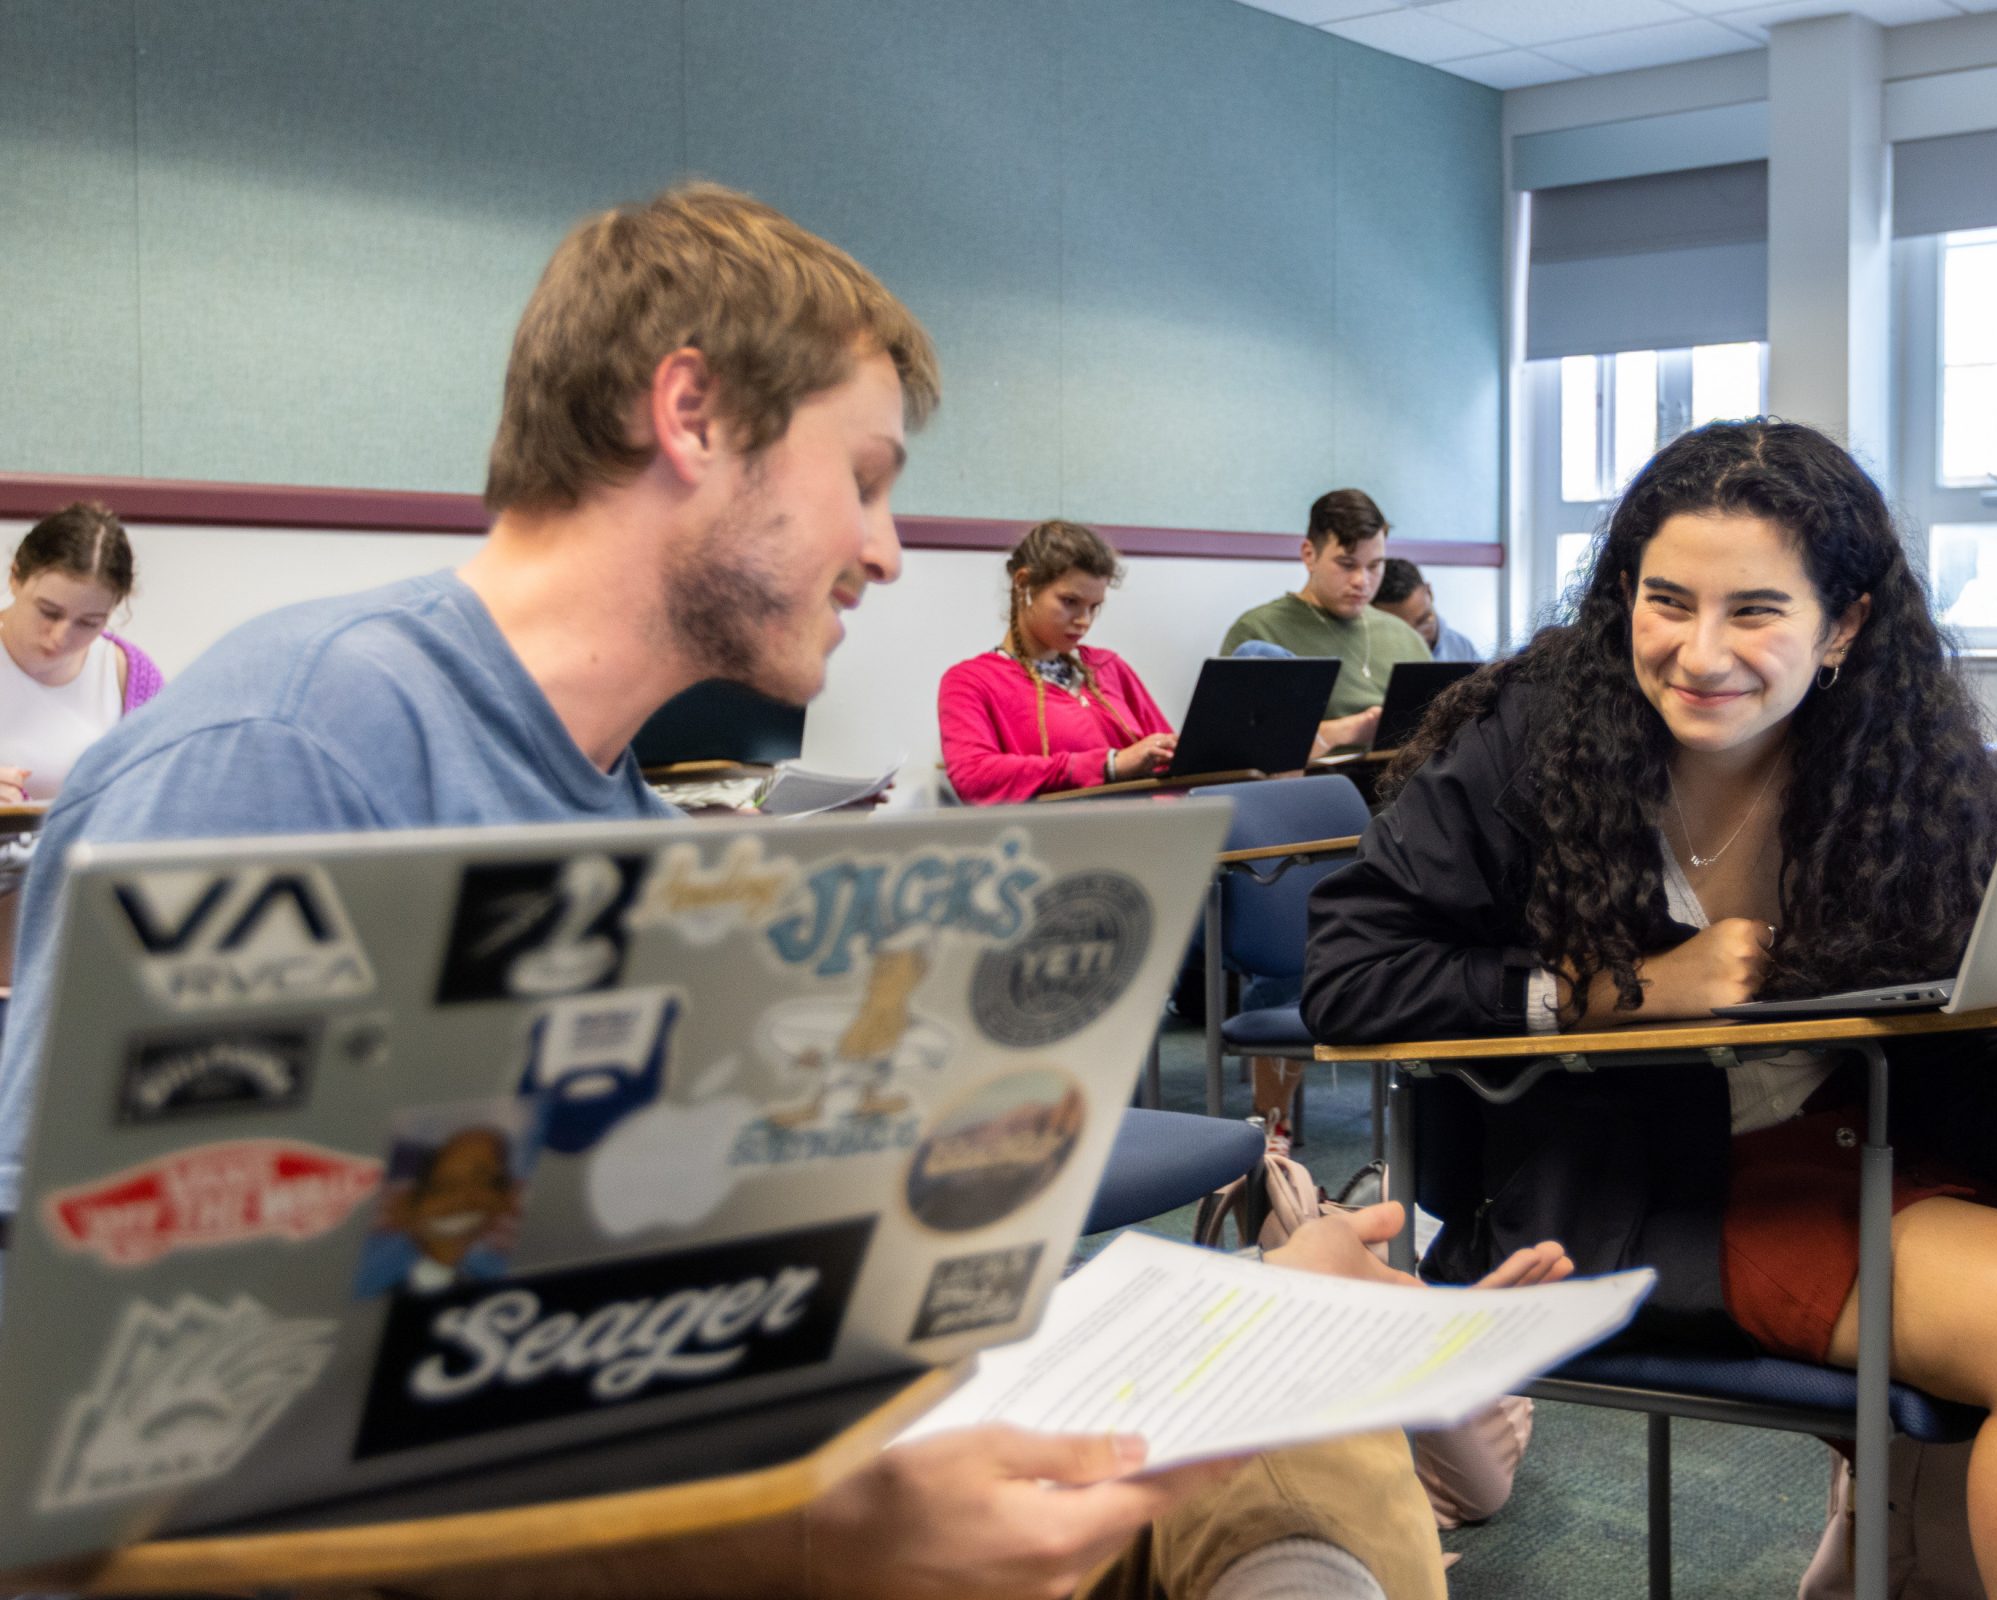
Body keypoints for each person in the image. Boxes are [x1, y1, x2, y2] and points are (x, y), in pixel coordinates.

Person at [0, 183, 1498, 1600]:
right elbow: (94, 1446)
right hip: (564, 1542)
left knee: (1281, 1377)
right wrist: (808, 1539)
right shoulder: (290, 758)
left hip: (706, 1457)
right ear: (692, 416)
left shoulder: (621, 815)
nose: (890, 552)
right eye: (861, 482)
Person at [1305, 421, 1997, 1600]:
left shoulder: (1893, 758)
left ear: (1848, 624)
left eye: (1756, 611)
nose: (1698, 651)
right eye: (1665, 600)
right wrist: (1618, 991)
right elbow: (1348, 965)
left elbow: (1961, 1029)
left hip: (1867, 1140)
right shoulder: (1540, 731)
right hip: (1642, 1187)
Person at [0, 501, 163, 990]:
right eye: (47, 612)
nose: (59, 638)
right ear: (15, 579)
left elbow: (161, 800)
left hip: (74, 929)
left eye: (89, 623)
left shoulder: (128, 673)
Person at [940, 520, 1176, 803]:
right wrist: (1110, 764)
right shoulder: (971, 682)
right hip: (1058, 840)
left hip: (1148, 834)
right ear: (1023, 583)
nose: (1084, 621)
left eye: (1094, 607)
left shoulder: (1108, 666)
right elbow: (974, 778)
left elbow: (1171, 760)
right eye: (1069, 602)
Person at [1221, 489, 1429, 753]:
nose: (1362, 581)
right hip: (1310, 788)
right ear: (1309, 555)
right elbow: (1238, 747)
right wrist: (1346, 731)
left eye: (1374, 566)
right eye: (1346, 564)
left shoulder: (1404, 636)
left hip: (1404, 784)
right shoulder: (1258, 633)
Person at [1372, 557, 1480, 663]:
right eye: (1399, 630)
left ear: (1429, 592)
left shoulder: (1463, 651)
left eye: (1424, 620)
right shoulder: (1366, 658)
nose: (1419, 639)